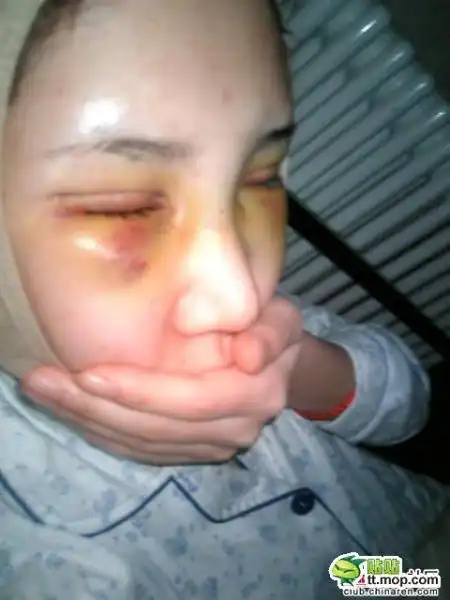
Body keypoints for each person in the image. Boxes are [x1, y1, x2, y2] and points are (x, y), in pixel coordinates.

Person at [0, 1, 448, 598]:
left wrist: (302, 368)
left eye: (260, 176)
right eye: (123, 206)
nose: (242, 295)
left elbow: (409, 407)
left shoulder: (247, 310)